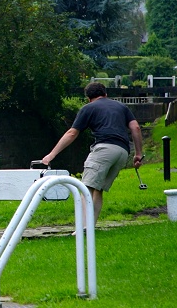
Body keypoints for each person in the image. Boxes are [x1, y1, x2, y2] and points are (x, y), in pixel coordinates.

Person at [41, 82, 143, 228]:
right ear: (105, 94)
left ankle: (83, 228)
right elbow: (136, 128)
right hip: (122, 151)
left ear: (89, 98)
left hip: (104, 149)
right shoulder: (121, 107)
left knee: (85, 187)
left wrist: (52, 155)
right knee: (98, 189)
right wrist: (138, 154)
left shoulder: (89, 108)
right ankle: (89, 228)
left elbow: (72, 133)